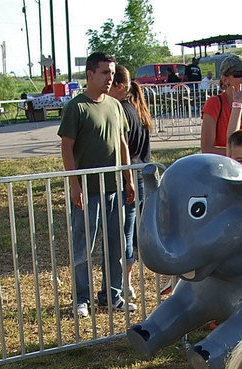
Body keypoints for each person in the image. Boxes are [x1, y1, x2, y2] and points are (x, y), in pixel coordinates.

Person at [58, 51, 136, 318]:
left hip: (114, 189)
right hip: (87, 191)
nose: (109, 78)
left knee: (115, 245)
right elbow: (66, 147)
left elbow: (122, 143)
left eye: (112, 73)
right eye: (104, 73)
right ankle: (82, 298)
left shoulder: (115, 105)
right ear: (90, 74)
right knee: (84, 248)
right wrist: (74, 184)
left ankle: (112, 295)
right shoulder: (76, 107)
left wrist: (128, 178)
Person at [108, 64, 152, 301]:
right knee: (133, 233)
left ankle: (124, 283)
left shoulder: (121, 110)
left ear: (120, 86)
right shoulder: (138, 109)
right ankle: (127, 282)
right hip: (142, 174)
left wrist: (126, 180)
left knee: (125, 232)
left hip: (130, 178)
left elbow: (123, 148)